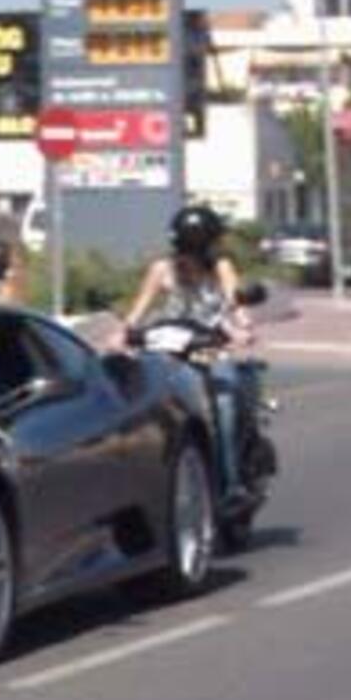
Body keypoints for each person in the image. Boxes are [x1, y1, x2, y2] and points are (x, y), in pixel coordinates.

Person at [121, 204, 255, 504]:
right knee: (147, 401)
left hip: (211, 348)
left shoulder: (220, 267)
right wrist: (123, 333)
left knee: (223, 402)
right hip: (171, 352)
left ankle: (232, 484)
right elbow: (138, 311)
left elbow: (235, 302)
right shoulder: (162, 269)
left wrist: (243, 325)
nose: (185, 255)